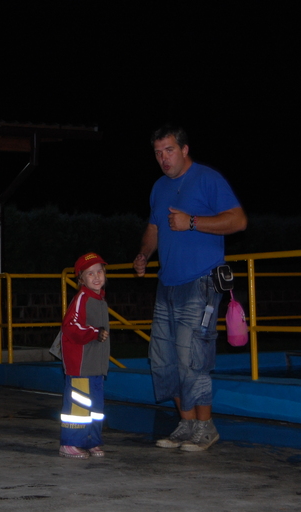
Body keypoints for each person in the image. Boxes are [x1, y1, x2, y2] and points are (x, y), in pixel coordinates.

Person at [134, 125, 247, 452]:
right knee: (163, 359)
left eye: (169, 150)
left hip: (201, 283)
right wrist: (144, 254)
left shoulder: (208, 179)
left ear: (184, 150)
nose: (163, 158)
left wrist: (193, 222)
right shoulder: (159, 187)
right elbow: (154, 227)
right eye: (158, 153)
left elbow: (238, 221)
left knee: (192, 357)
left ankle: (205, 427)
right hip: (167, 284)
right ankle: (185, 424)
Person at [59, 252, 111, 459]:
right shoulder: (82, 298)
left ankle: (91, 441)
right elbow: (70, 326)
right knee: (79, 406)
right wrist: (94, 332)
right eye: (90, 273)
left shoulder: (99, 300)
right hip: (80, 365)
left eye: (99, 271)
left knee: (95, 406)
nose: (96, 276)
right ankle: (70, 443)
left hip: (95, 365)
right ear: (81, 278)